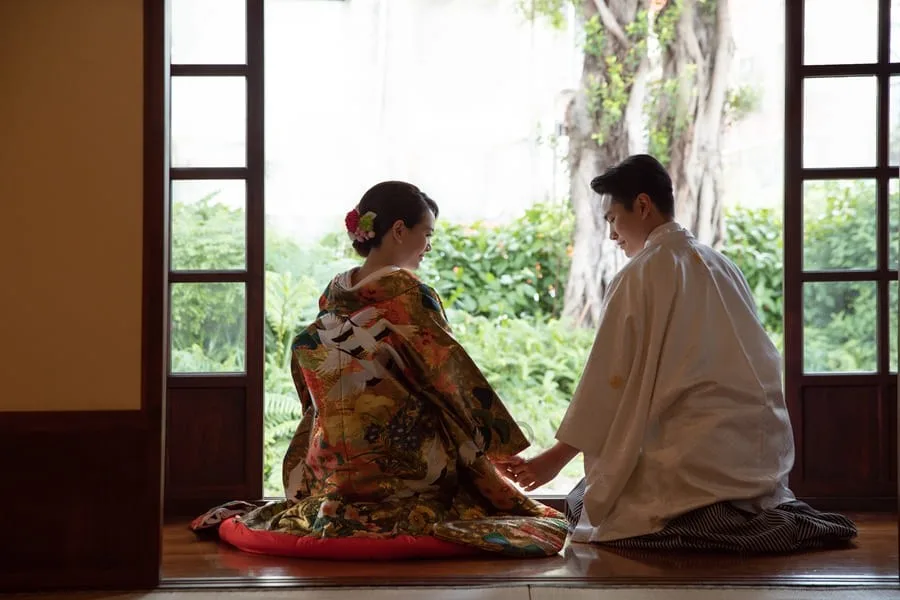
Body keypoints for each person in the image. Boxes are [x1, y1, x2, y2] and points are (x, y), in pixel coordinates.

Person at [500, 155, 858, 553]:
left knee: (591, 505)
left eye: (613, 219)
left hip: (691, 457)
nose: (612, 234)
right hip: (755, 455)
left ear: (642, 206)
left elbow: (608, 382)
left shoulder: (638, 275)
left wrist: (553, 459)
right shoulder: (722, 265)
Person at [192, 181, 567, 558]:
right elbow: (449, 376)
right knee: (450, 439)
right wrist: (493, 444)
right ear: (399, 230)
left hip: (334, 457)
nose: (429, 246)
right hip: (402, 461)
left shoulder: (336, 292)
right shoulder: (409, 295)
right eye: (427, 234)